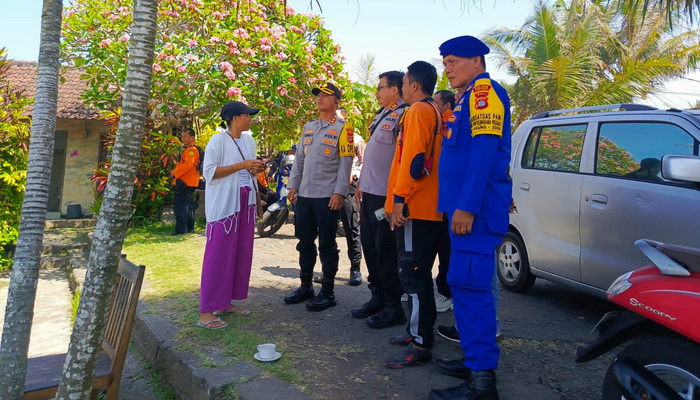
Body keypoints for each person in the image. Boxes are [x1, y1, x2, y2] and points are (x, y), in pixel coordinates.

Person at [428, 36, 512, 400]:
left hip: (472, 213)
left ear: (476, 61)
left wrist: (467, 207)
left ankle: (482, 382)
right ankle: (474, 358)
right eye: (444, 62)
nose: (447, 68)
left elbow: (482, 153)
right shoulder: (465, 100)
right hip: (462, 210)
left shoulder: (484, 94)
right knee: (463, 286)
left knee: (472, 287)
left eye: (452, 61)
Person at [383, 61, 443, 369]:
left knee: (413, 276)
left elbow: (415, 161)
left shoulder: (418, 111)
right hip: (427, 208)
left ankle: (421, 344)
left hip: (414, 208)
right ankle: (416, 332)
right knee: (416, 275)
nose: (402, 88)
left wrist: (397, 200)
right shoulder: (434, 110)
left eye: (404, 83)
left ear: (414, 85)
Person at [283, 82, 355, 311]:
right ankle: (306, 286)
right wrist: (293, 186)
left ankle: (328, 291)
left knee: (327, 244)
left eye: (326, 95)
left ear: (336, 101)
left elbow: (346, 164)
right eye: (318, 95)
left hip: (327, 197)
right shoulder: (309, 127)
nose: (320, 98)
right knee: (304, 242)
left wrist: (339, 193)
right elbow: (300, 161)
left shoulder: (346, 128)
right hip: (304, 195)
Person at [196, 101, 266, 330]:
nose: (251, 119)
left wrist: (255, 168)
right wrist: (242, 165)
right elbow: (209, 173)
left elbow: (249, 172)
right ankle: (206, 312)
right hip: (225, 207)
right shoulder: (218, 140)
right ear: (236, 118)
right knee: (218, 256)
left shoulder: (248, 140)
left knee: (239, 255)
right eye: (248, 115)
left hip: (245, 203)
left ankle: (224, 303)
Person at [350, 71, 409, 327]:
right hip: (369, 193)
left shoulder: (405, 114)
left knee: (386, 250)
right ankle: (377, 297)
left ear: (395, 90)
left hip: (387, 197)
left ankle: (393, 306)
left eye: (381, 87)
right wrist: (362, 182)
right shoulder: (381, 115)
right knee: (370, 247)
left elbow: (404, 157)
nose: (377, 91)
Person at [314, 107, 364, 286]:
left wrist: (354, 175)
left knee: (352, 229)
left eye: (337, 116)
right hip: (327, 190)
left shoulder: (356, 138)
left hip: (348, 189)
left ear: (345, 117)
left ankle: (355, 269)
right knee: (326, 231)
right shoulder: (322, 136)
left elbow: (363, 162)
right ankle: (326, 270)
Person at [431, 90, 456, 313]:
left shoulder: (449, 120)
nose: (432, 106)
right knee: (440, 246)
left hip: (446, 199)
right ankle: (443, 290)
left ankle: (446, 293)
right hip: (440, 198)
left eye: (436, 103)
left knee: (445, 249)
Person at [171, 128, 201, 235]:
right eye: (182, 136)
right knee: (187, 205)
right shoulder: (191, 149)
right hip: (189, 181)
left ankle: (181, 229)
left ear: (192, 138)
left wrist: (175, 173)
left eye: (185, 136)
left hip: (185, 181)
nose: (182, 138)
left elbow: (188, 164)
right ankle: (189, 228)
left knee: (180, 206)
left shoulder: (191, 150)